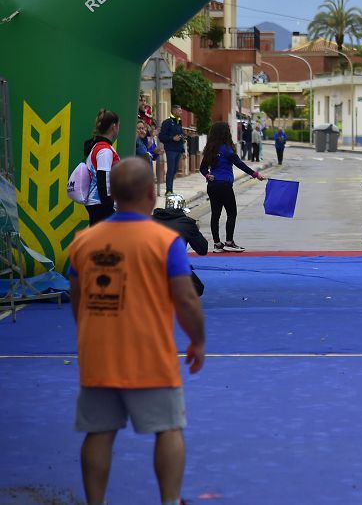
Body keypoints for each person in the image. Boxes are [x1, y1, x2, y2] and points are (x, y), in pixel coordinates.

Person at [67, 157, 205, 505]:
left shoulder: (83, 242)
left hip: (98, 354)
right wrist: (197, 340)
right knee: (169, 429)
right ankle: (170, 500)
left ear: (111, 194)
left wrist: (89, 331)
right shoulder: (164, 241)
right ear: (151, 193)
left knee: (98, 433)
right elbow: (186, 299)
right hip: (149, 355)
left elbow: (77, 298)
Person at [199, 121, 266, 253]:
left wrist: (207, 175)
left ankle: (217, 244)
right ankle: (229, 242)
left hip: (212, 186)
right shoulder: (228, 149)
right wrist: (255, 174)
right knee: (232, 213)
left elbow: (202, 168)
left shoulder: (210, 148)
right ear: (225, 133)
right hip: (224, 185)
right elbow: (240, 164)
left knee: (215, 214)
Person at [83, 110, 121, 226]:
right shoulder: (104, 150)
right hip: (101, 205)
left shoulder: (99, 147)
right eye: (119, 125)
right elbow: (103, 179)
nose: (119, 128)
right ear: (114, 126)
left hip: (98, 204)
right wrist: (109, 207)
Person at [158, 105, 185, 195]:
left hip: (178, 150)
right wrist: (172, 138)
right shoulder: (167, 122)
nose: (181, 113)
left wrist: (183, 150)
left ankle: (170, 188)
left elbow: (181, 136)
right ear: (174, 111)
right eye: (179, 111)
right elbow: (161, 137)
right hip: (170, 150)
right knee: (171, 169)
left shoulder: (178, 122)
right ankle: (169, 190)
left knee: (175, 169)